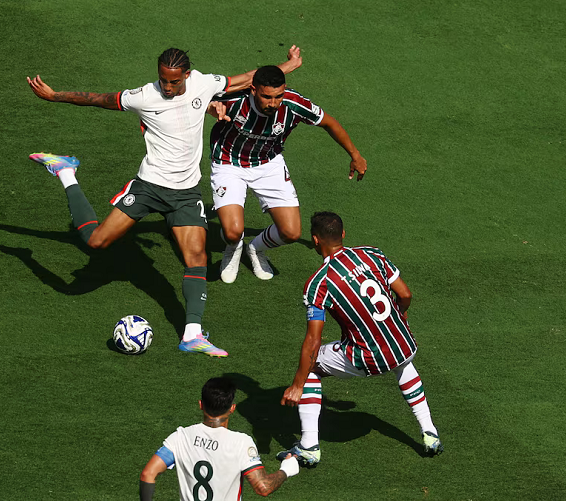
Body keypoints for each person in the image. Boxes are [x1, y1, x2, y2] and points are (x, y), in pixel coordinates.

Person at [26, 47, 302, 358]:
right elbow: (100, 99)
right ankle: (66, 172)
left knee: (195, 258)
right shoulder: (143, 96)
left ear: (186, 75)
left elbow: (251, 78)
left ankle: (192, 335)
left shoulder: (203, 83)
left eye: (173, 82)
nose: (166, 88)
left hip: (185, 193)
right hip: (149, 187)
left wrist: (289, 65)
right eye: (162, 80)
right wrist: (55, 96)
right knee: (95, 241)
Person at [277, 211, 443, 466]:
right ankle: (430, 432)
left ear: (315, 240)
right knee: (401, 361)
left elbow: (313, 339)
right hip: (403, 343)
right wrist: (401, 317)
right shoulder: (372, 254)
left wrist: (297, 385)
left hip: (366, 357)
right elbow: (406, 294)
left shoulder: (319, 282)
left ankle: (309, 446)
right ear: (343, 234)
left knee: (311, 365)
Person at [206, 66, 367, 283]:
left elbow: (328, 122)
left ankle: (255, 249)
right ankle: (233, 248)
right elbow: (193, 101)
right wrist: (210, 107)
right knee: (233, 232)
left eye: (278, 96)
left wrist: (355, 155)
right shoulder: (234, 101)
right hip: (229, 163)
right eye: (266, 97)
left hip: (268, 164)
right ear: (253, 89)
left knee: (291, 232)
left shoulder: (293, 104)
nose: (273, 103)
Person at [139, 377, 299, 500]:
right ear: (232, 408)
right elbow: (263, 487)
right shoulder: (240, 443)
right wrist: (286, 469)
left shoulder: (180, 437)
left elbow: (148, 474)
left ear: (201, 404)